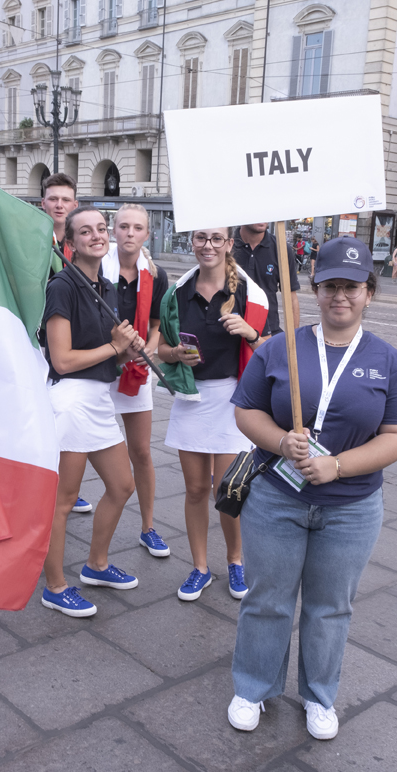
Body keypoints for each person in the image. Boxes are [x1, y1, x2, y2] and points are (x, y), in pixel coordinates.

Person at [226, 235, 397, 740]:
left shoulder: (390, 362)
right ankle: (253, 687)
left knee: (330, 605)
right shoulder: (280, 347)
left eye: (352, 287)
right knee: (267, 597)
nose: (341, 296)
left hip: (351, 508)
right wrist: (278, 440)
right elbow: (245, 409)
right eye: (331, 285)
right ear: (315, 290)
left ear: (369, 292)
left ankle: (319, 696)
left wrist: (338, 466)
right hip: (277, 497)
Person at [40, 207, 144, 617]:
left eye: (102, 229)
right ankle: (54, 586)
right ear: (71, 240)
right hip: (70, 400)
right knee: (62, 501)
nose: (97, 236)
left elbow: (105, 356)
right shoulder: (62, 286)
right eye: (86, 231)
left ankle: (96, 565)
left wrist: (125, 354)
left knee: (121, 486)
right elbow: (62, 359)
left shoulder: (107, 284)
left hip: (99, 398)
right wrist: (115, 348)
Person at [159, 226, 268, 603]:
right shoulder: (177, 293)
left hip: (232, 400)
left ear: (228, 244)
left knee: (229, 491)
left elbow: (275, 348)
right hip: (191, 400)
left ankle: (235, 561)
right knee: (194, 490)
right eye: (201, 238)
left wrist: (251, 333)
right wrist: (176, 355)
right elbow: (161, 347)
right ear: (192, 242)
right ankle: (200, 567)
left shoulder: (249, 295)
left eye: (216, 239)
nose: (208, 245)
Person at [101, 204, 171, 558]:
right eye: (123, 226)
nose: (130, 233)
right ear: (114, 230)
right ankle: (64, 509)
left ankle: (148, 527)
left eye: (137, 228)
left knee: (141, 451)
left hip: (135, 370)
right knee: (80, 450)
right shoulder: (98, 265)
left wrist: (151, 348)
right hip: (97, 367)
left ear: (147, 233)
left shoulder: (155, 274)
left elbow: (156, 325)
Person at [40, 172, 94, 514]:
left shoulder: (79, 243)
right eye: (53, 199)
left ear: (74, 205)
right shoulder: (32, 239)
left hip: (71, 342)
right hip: (37, 342)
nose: (59, 205)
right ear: (42, 203)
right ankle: (48, 486)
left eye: (65, 200)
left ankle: (66, 488)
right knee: (43, 418)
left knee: (70, 424)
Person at [233, 222, 300, 335]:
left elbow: (291, 298)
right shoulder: (226, 246)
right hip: (231, 331)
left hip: (268, 333)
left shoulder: (281, 249)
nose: (263, 218)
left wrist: (293, 339)